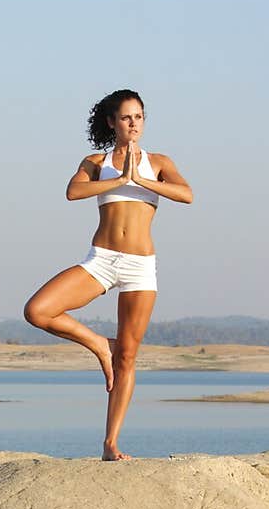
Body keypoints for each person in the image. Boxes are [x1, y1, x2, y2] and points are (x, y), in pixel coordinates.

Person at [23, 88, 193, 460]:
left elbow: (186, 194)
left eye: (140, 117)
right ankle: (100, 345)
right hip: (101, 259)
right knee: (37, 311)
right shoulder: (96, 161)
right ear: (112, 122)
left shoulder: (159, 161)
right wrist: (119, 180)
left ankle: (110, 443)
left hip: (139, 266)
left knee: (128, 357)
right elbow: (73, 191)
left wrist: (141, 179)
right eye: (127, 117)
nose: (134, 124)